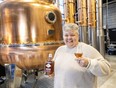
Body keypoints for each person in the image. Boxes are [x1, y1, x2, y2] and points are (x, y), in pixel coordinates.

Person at [53, 23, 111, 88]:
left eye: (72, 35)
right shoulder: (59, 50)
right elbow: (56, 69)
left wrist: (89, 63)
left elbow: (107, 69)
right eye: (66, 35)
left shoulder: (87, 49)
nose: (69, 38)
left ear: (78, 36)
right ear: (63, 36)